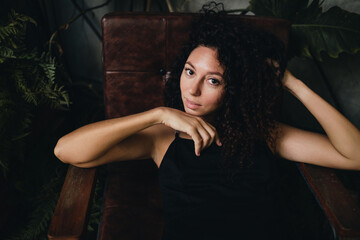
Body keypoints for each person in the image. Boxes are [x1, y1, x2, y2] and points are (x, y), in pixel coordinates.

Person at [54, 8, 360, 240]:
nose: (193, 89)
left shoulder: (264, 133)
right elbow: (66, 150)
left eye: (212, 80)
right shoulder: (162, 137)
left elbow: (355, 155)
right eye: (189, 72)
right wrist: (157, 114)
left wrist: (292, 84)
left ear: (235, 88)